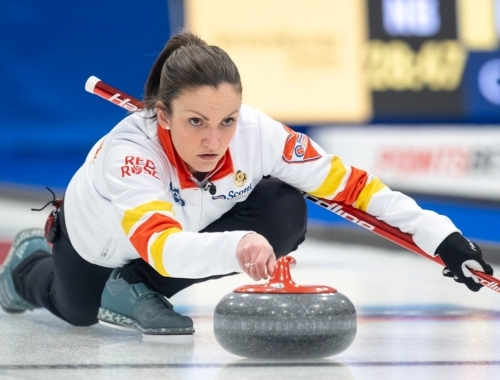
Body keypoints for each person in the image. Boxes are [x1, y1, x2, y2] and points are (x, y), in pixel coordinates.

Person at [0, 31, 494, 335]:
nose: (215, 140)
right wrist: (240, 244)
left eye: (228, 120)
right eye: (196, 122)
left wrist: (442, 238)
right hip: (99, 243)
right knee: (78, 313)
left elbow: (358, 189)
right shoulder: (131, 156)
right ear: (163, 114)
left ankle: (131, 290)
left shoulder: (260, 135)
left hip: (176, 236)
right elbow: (164, 248)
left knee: (284, 206)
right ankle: (29, 265)